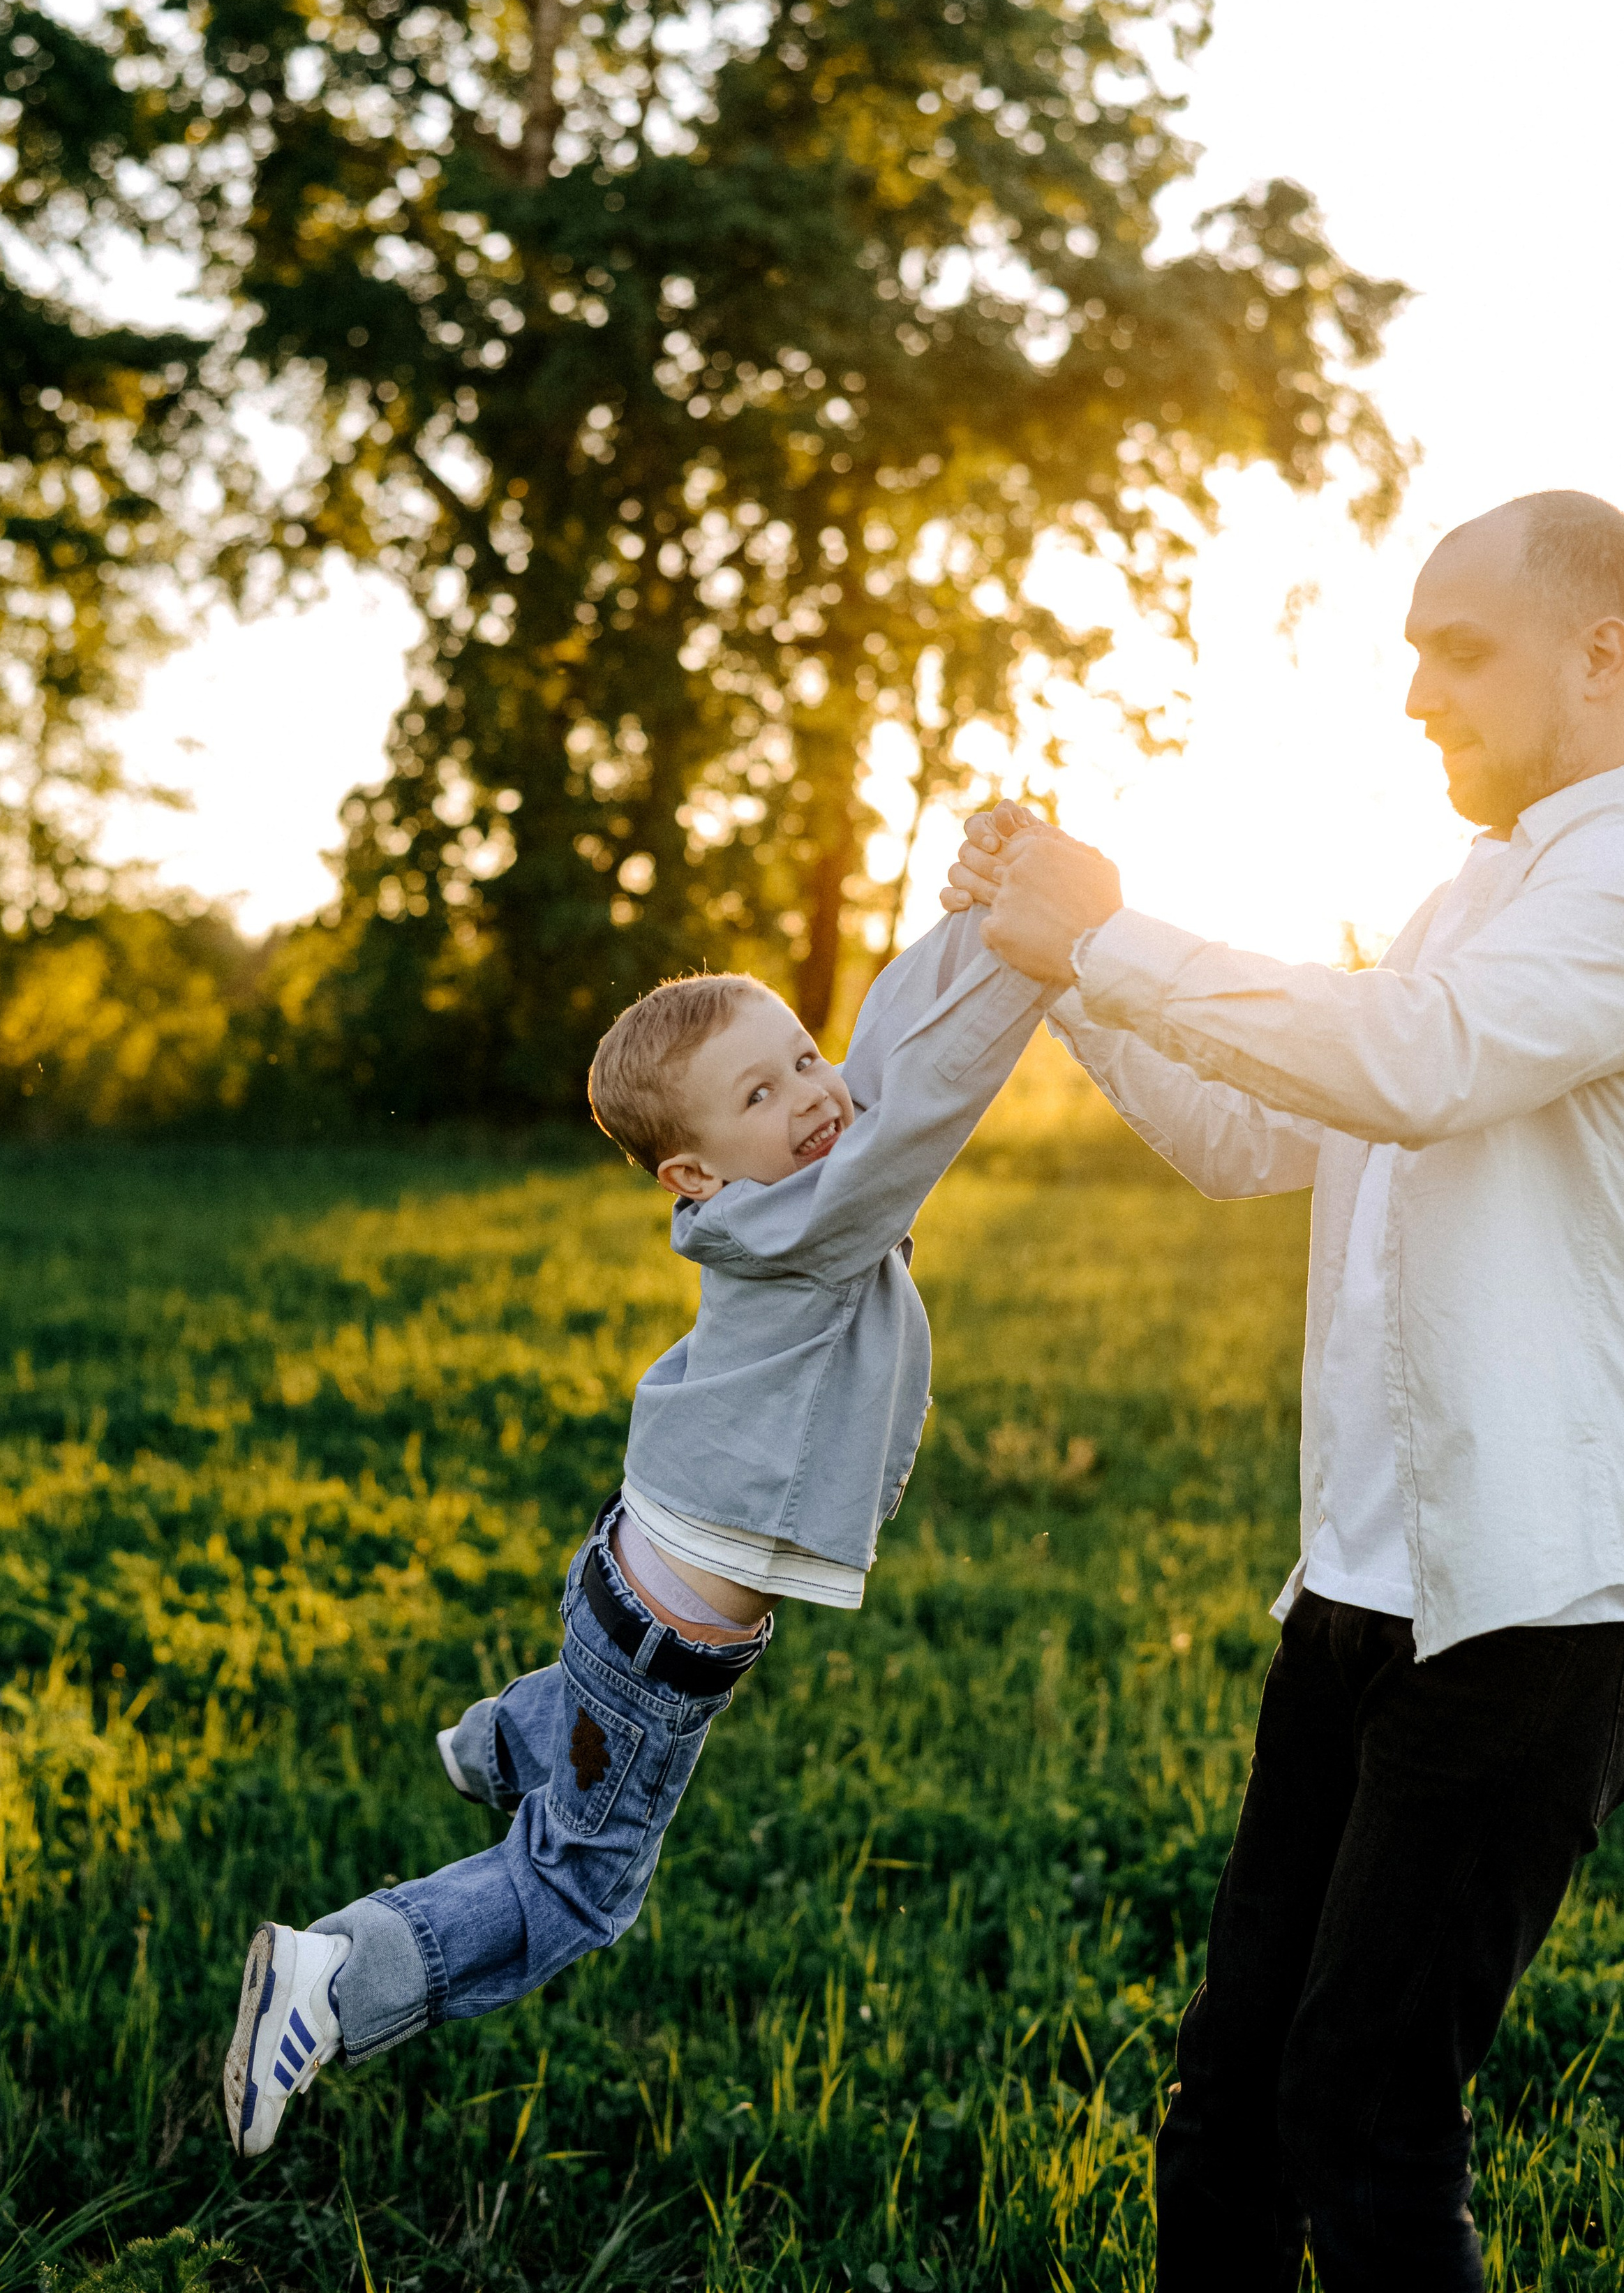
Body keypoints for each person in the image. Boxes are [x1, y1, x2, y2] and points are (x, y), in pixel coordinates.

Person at [944, 488, 1624, 2290]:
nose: (1414, 696)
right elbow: (1255, 1131)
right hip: (1350, 1602)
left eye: (1455, 651)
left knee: (1367, 2116)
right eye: (1406, 656)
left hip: (1530, 1618)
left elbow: (1421, 1059)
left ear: (1604, 654)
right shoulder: (1461, 895)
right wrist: (1059, 964)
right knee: (1230, 2100)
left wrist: (1110, 935)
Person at [222, 904, 1051, 2157]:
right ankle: (335, 1978)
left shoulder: (789, 1183)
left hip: (637, 1595)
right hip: (660, 1644)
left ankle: (512, 1736)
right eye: (763, 1094)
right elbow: (920, 1111)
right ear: (696, 1175)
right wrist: (1038, 964)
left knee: (606, 1709)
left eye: (803, 1058)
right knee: (575, 1889)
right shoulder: (809, 1215)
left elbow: (881, 1056)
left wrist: (976, 919)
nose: (818, 1096)